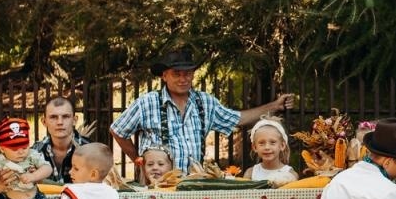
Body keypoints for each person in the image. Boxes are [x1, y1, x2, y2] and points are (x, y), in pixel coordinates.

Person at [109, 47, 297, 172]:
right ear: (164, 76)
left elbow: (238, 119)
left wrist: (275, 106)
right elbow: (118, 130)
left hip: (193, 183)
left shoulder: (205, 102)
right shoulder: (147, 102)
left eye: (187, 73)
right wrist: (139, 160)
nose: (183, 79)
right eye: (176, 74)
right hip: (156, 184)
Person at [34, 96, 92, 183]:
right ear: (44, 122)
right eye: (53, 117)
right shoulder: (35, 151)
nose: (60, 122)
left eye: (65, 116)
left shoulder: (90, 150)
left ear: (74, 120)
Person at [244, 117, 299, 185]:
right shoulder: (250, 173)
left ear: (282, 145)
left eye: (272, 142)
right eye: (261, 143)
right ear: (255, 147)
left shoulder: (290, 174)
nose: (267, 147)